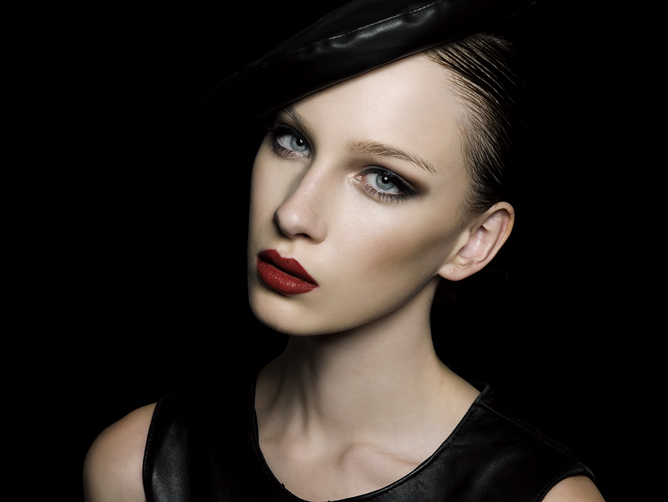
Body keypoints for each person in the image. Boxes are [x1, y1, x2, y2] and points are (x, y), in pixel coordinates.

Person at [83, 1, 605, 500]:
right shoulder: (137, 466)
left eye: (383, 179)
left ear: (475, 241)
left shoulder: (544, 498)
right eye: (293, 140)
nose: (293, 214)